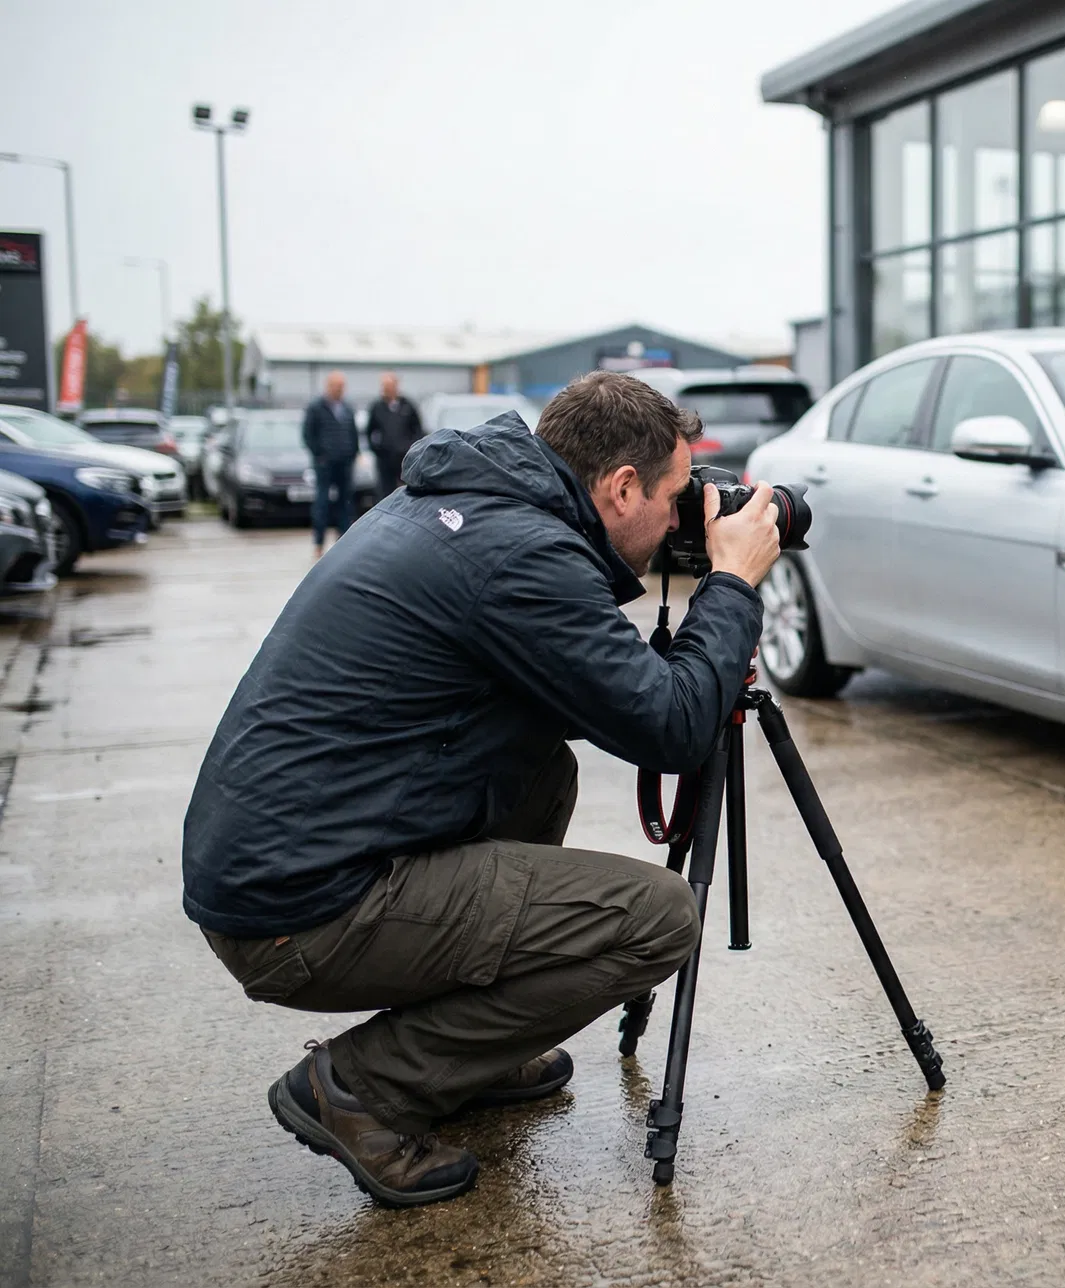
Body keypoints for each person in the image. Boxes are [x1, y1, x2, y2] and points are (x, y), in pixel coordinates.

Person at [182, 370, 780, 1207]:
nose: (684, 516)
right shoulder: (522, 555)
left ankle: (473, 1050)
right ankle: (362, 1087)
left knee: (540, 774)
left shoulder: (471, 507)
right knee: (657, 920)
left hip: (280, 865)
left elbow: (597, 695)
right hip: (300, 914)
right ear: (619, 487)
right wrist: (734, 587)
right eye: (677, 494)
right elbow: (672, 727)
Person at [301, 370, 360, 556]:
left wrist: (353, 453)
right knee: (322, 503)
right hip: (325, 465)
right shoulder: (316, 408)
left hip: (345, 463)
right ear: (328, 386)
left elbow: (353, 433)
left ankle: (343, 541)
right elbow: (307, 435)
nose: (339, 390)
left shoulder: (347, 408)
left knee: (345, 503)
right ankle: (318, 542)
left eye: (342, 386)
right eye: (336, 386)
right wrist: (320, 455)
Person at [364, 371, 425, 496]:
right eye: (384, 386)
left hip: (404, 459)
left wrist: (410, 448)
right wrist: (377, 449)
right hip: (385, 460)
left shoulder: (408, 406)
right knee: (385, 493)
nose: (386, 390)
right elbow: (369, 431)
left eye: (389, 386)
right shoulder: (377, 407)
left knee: (408, 492)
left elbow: (418, 430)